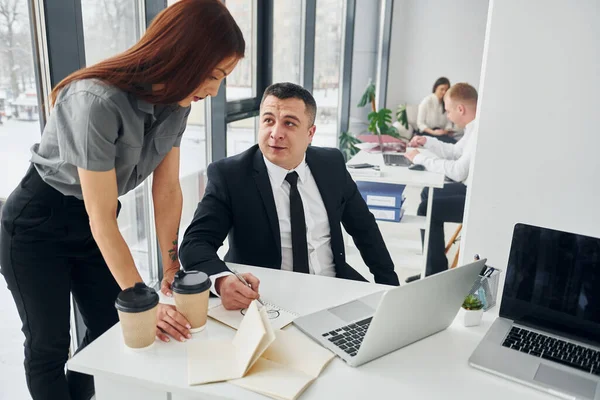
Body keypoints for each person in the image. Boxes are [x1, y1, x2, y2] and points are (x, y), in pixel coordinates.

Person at [0, 1, 244, 399]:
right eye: (214, 75)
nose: (215, 90)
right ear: (183, 55)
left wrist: (170, 264)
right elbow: (100, 216)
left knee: (106, 328)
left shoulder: (178, 102)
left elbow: (165, 189)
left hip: (92, 223)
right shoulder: (95, 101)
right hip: (37, 223)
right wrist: (142, 298)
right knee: (48, 346)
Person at [179, 82, 399, 310]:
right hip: (268, 299)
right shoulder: (230, 176)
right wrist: (223, 280)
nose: (276, 134)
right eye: (268, 120)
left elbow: (365, 229)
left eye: (289, 123)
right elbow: (195, 244)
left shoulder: (331, 164)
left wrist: (391, 287)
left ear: (310, 133)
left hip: (336, 286)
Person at [404, 83, 478, 280]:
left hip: (477, 198)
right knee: (428, 193)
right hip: (470, 188)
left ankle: (434, 275)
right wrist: (426, 142)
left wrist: (420, 159)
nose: (447, 116)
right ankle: (432, 268)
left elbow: (457, 171)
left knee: (427, 208)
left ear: (460, 109)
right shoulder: (473, 128)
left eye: (448, 110)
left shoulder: (479, 132)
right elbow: (455, 152)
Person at [415, 77, 457, 144]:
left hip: (440, 133)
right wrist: (434, 132)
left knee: (454, 142)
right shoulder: (426, 101)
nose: (444, 92)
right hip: (427, 132)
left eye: (446, 90)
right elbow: (420, 124)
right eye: (442, 89)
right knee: (449, 143)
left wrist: (445, 131)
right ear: (435, 88)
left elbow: (449, 123)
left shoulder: (446, 103)